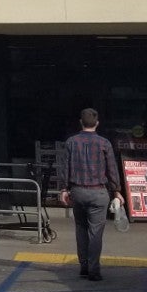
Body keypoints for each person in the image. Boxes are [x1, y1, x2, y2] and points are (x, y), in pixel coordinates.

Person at [58, 108, 122, 281]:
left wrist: (64, 189)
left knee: (81, 229)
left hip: (78, 191)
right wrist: (117, 191)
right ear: (97, 123)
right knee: (96, 232)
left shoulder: (71, 142)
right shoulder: (104, 143)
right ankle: (94, 269)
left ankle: (84, 266)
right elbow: (112, 169)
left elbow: (65, 167)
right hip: (98, 191)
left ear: (81, 122)